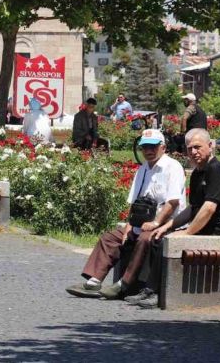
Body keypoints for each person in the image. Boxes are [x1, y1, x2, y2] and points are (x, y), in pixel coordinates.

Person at [124, 129, 220, 309]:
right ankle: (149, 290)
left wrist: (186, 233)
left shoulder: (216, 170)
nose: (193, 152)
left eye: (198, 147)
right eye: (190, 149)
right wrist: (167, 226)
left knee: (164, 240)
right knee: (159, 236)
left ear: (210, 146)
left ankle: (156, 293)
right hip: (206, 226)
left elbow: (209, 208)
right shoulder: (197, 173)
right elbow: (192, 209)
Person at [66, 129, 185, 300]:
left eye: (153, 147)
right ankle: (94, 281)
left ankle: (124, 284)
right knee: (110, 237)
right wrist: (129, 226)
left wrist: (156, 223)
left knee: (145, 238)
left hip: (166, 223)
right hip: (142, 222)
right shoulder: (143, 169)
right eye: (145, 147)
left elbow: (172, 203)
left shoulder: (173, 167)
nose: (148, 151)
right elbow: (134, 203)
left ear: (163, 147)